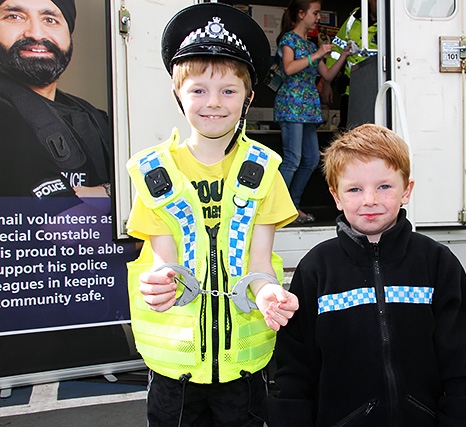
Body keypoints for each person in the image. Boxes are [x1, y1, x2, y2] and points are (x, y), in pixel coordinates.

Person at [125, 3, 300, 426]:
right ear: (176, 93)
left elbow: (259, 266)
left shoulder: (267, 171)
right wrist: (161, 283)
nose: (213, 103)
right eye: (198, 89)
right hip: (175, 374)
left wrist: (268, 294)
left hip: (242, 370)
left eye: (228, 90)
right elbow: (167, 262)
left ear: (249, 97)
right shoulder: (153, 173)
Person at [264, 124, 466, 426]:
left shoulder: (436, 262)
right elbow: (294, 367)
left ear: (406, 190)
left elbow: (461, 357)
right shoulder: (316, 268)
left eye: (384, 186)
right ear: (336, 196)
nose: (369, 199)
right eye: (354, 189)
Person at [0, 0, 111, 199]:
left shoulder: (97, 119)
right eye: (14, 17)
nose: (35, 33)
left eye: (50, 20)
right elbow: (58, 218)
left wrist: (108, 191)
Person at [274, 0, 352, 224]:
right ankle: (276, 207)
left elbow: (327, 76)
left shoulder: (310, 45)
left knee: (310, 160)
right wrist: (317, 55)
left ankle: (292, 206)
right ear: (300, 14)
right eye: (315, 13)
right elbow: (289, 68)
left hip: (308, 106)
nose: (318, 17)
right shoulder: (288, 39)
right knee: (293, 159)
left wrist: (344, 55)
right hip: (291, 103)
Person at [322, 0, 378, 129]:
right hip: (350, 91)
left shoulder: (391, 21)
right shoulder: (353, 19)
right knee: (348, 134)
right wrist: (327, 82)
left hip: (376, 92)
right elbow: (336, 50)